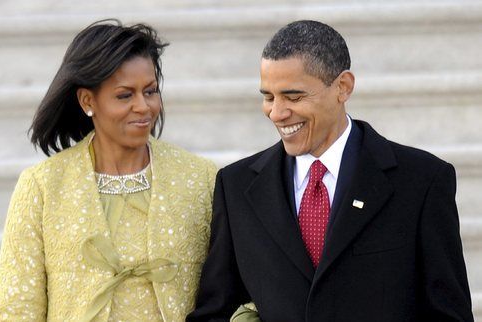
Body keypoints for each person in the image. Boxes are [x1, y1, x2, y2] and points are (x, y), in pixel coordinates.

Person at [187, 20, 473, 321]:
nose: (277, 113)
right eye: (269, 97)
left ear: (343, 87)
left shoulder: (422, 181)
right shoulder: (236, 187)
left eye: (294, 97)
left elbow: (449, 314)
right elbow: (214, 311)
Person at [0, 19, 216, 321]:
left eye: (150, 91)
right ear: (87, 100)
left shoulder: (201, 178)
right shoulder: (42, 186)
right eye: (125, 95)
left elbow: (228, 294)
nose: (143, 107)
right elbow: (16, 308)